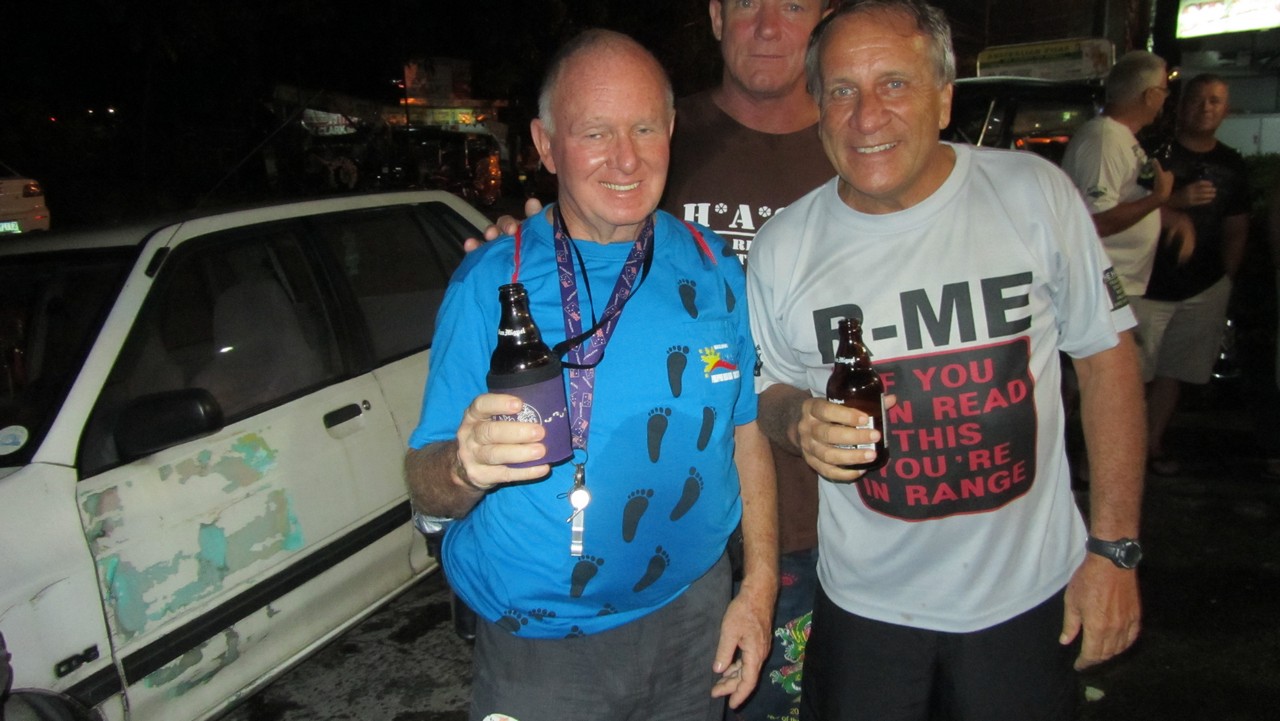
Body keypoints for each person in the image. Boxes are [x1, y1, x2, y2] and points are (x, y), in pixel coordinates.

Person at [745, 1, 1145, 718]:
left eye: (894, 84)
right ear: (819, 108)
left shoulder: (1033, 195)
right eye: (842, 90)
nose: (867, 116)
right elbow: (765, 386)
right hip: (865, 609)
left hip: (1026, 601)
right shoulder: (783, 247)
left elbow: (1106, 359)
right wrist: (797, 420)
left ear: (944, 96)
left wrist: (1114, 549)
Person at [405, 29, 777, 721]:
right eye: (595, 133)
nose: (626, 158)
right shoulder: (492, 281)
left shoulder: (714, 268)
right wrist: (462, 466)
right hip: (540, 646)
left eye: (644, 128)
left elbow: (744, 432)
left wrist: (757, 591)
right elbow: (422, 480)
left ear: (671, 130)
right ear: (546, 146)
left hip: (694, 615)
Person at [474, 5, 835, 718]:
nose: (768, 25)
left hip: (822, 525)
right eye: (748, 2)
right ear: (716, 15)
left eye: (793, 2)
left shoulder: (856, 136)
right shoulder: (660, 121)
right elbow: (586, 207)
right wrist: (518, 251)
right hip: (683, 553)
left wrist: (758, 585)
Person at [1135, 74, 1250, 476]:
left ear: (1226, 110)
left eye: (1215, 101)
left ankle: (1152, 446)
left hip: (1204, 287)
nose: (1206, 108)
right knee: (1134, 375)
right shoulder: (1153, 154)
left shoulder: (1232, 164)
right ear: (1180, 106)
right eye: (1198, 100)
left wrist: (1226, 280)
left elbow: (1237, 227)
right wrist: (1176, 202)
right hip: (1147, 285)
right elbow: (1122, 210)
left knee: (1174, 372)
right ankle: (1123, 450)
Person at [1062, 49, 1190, 300]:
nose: (1165, 99)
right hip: (1104, 288)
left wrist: (1170, 217)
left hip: (1118, 285)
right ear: (1150, 95)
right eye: (1164, 91)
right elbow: (1097, 220)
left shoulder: (1119, 137)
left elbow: (1126, 198)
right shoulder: (1103, 140)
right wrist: (1157, 198)